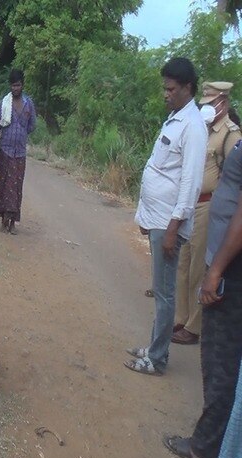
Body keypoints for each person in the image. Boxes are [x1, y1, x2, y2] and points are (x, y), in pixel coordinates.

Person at [162, 138, 242, 458]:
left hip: (232, 271)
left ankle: (205, 447)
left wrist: (217, 269)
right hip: (229, 264)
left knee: (220, 358)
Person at [125, 57, 207, 376]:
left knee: (164, 293)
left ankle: (157, 358)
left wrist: (173, 227)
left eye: (171, 89)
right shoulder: (176, 118)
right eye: (165, 88)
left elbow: (190, 183)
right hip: (158, 217)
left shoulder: (194, 127)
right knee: (160, 289)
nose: (166, 94)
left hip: (168, 222)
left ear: (187, 88)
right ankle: (155, 346)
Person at [172, 82, 241, 345]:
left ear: (223, 103)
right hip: (193, 203)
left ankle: (194, 327)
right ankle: (181, 316)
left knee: (200, 265)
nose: (207, 106)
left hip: (210, 205)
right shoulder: (204, 129)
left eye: (212, 102)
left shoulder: (230, 135)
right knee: (184, 262)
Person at [0, 69, 36, 235]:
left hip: (20, 153)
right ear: (10, 86)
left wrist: (21, 133)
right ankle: (4, 218)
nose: (15, 88)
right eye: (13, 85)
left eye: (18, 85)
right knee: (4, 184)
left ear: (22, 85)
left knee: (16, 186)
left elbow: (32, 125)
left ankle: (12, 221)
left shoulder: (28, 104)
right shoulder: (4, 103)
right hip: (5, 150)